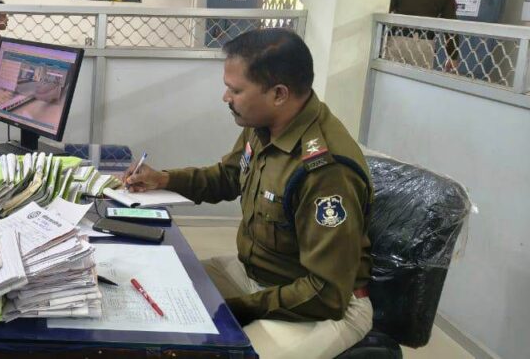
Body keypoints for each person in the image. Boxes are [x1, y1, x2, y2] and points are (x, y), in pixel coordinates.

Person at [124, 29, 374, 359]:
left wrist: (237, 308)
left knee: (213, 351)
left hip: (320, 307)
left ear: (279, 94)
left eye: (236, 90)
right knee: (156, 289)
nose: (225, 97)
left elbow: (326, 293)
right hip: (255, 276)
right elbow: (227, 177)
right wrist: (163, 179)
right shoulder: (264, 126)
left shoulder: (326, 171)